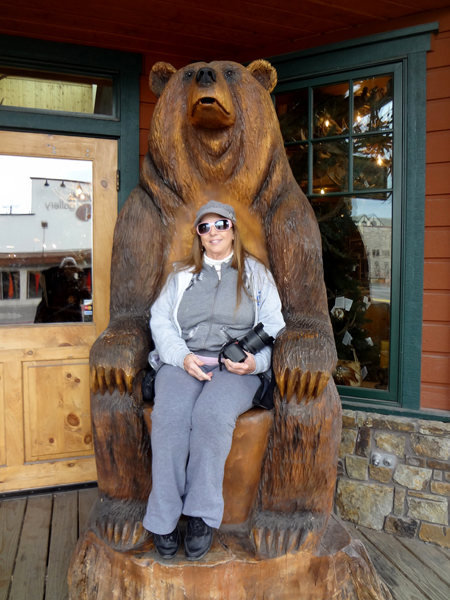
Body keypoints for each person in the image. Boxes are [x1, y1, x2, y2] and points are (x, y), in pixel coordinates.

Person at [143, 200, 285, 560]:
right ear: (198, 236)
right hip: (183, 362)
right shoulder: (182, 277)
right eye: (204, 227)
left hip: (233, 370)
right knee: (169, 419)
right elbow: (160, 322)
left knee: (210, 417)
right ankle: (162, 518)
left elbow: (274, 323)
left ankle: (200, 516)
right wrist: (181, 357)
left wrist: (255, 364)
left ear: (233, 228)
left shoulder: (254, 274)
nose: (214, 232)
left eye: (221, 224)